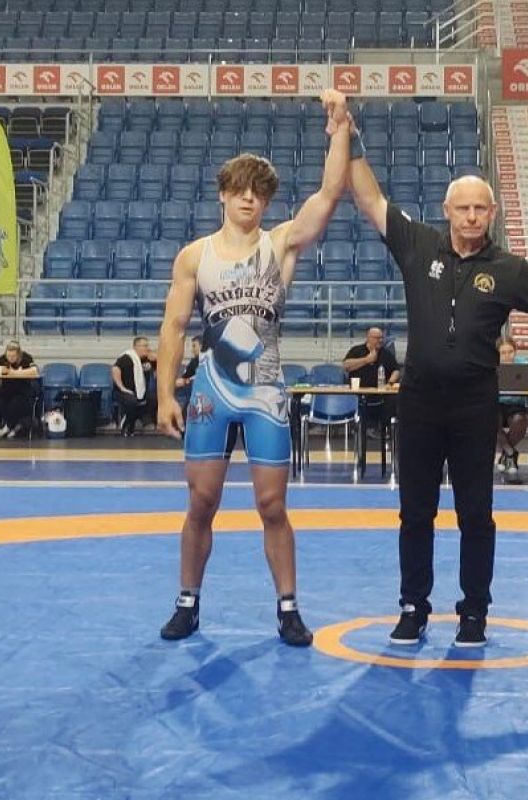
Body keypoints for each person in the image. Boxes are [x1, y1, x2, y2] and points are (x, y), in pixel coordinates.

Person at [341, 95, 528, 648]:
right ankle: (413, 607)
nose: (472, 217)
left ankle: (473, 611)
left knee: (476, 515)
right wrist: (348, 132)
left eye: (481, 208)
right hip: (420, 402)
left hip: (475, 405)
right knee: (415, 513)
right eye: (463, 208)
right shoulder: (418, 245)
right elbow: (369, 197)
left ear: (493, 213)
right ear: (447, 210)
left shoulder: (510, 269)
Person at [153, 89, 353, 645]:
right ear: (223, 195)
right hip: (212, 390)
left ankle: (288, 608)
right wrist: (165, 394)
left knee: (272, 504)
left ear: (265, 202)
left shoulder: (280, 243)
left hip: (265, 388)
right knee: (201, 502)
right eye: (240, 190)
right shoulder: (195, 256)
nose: (249, 199)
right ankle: (187, 602)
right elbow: (173, 327)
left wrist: (340, 129)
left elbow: (328, 194)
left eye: (258, 193)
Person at [342, 326, 400, 437]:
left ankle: (385, 431)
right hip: (358, 393)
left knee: (393, 399)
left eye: (381, 338)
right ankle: (362, 429)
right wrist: (366, 360)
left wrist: (390, 383)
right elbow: (346, 366)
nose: (380, 340)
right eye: (377, 338)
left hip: (380, 393)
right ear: (368, 338)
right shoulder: (357, 350)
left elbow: (396, 370)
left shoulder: (385, 353)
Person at [495, 336, 528, 478]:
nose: (507, 356)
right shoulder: (491, 365)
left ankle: (505, 454)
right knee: (488, 420)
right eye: (503, 353)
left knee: (520, 420)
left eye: (510, 352)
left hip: (517, 405)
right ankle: (511, 453)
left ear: (515, 352)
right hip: (496, 404)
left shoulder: (524, 365)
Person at [0, 341, 40, 438]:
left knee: (15, 404)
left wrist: (15, 373)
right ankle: (15, 426)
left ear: (18, 354)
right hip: (6, 390)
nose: (10, 358)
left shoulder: (26, 358)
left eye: (13, 356)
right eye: (9, 356)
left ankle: (8, 426)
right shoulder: (2, 359)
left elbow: (34, 371)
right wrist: (1, 371)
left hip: (23, 391)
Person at [113, 336, 158, 437]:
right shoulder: (127, 357)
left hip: (141, 391)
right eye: (144, 346)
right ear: (136, 347)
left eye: (147, 345)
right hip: (124, 391)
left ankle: (141, 418)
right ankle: (127, 424)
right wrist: (122, 388)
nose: (147, 348)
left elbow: (158, 370)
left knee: (155, 398)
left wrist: (157, 359)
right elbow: (115, 369)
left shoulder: (147, 359)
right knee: (131, 401)